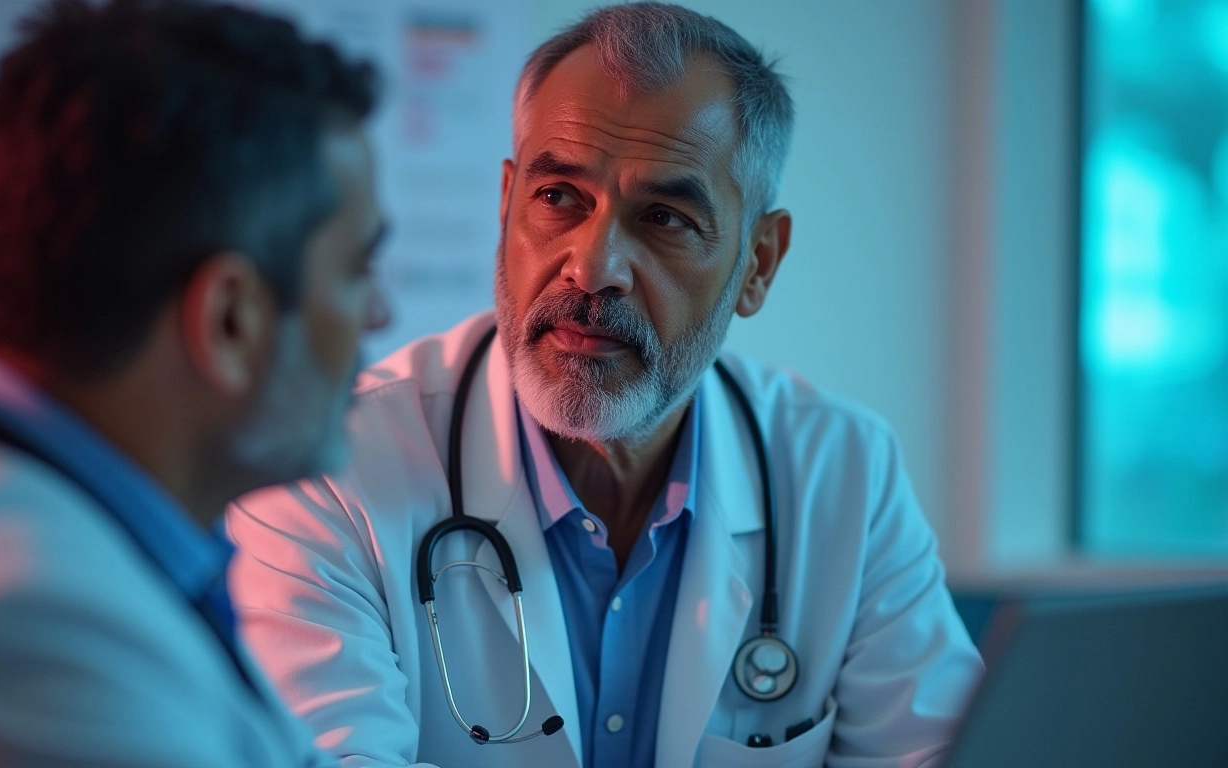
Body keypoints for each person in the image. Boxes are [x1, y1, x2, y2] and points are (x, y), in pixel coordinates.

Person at [228, 4, 983, 768]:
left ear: (758, 263)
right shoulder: (327, 472)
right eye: (559, 199)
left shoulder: (842, 473)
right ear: (506, 203)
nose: (592, 268)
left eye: (663, 218)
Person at [0, 0, 389, 765]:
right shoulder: (33, 629)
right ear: (230, 322)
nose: (380, 316)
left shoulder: (33, 524)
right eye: (357, 271)